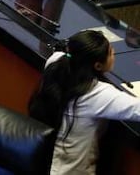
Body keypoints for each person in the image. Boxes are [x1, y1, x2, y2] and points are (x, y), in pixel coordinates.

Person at [28, 29, 140, 174]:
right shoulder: (97, 93)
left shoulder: (56, 62)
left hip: (42, 161)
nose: (114, 54)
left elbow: (62, 52)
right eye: (111, 52)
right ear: (98, 66)